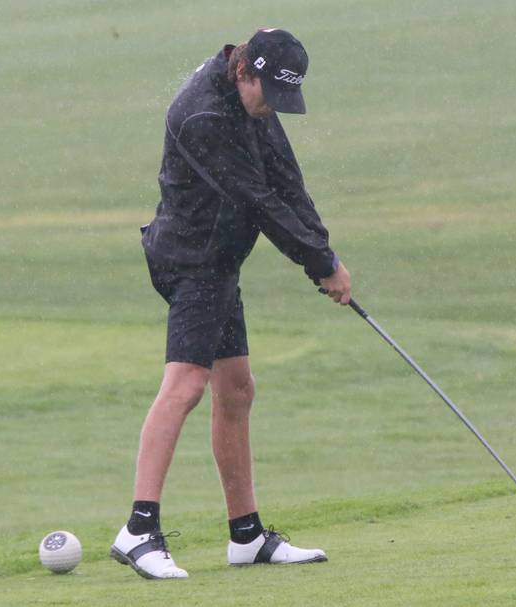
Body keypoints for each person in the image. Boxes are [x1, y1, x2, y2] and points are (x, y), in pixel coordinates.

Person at [110, 28, 352, 580]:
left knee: (237, 389)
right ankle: (138, 530)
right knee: (187, 385)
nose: (272, 109)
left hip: (219, 263)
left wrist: (325, 250)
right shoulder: (206, 118)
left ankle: (246, 536)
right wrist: (320, 264)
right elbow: (259, 201)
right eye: (268, 95)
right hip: (190, 262)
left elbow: (287, 180)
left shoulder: (251, 100)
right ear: (246, 72)